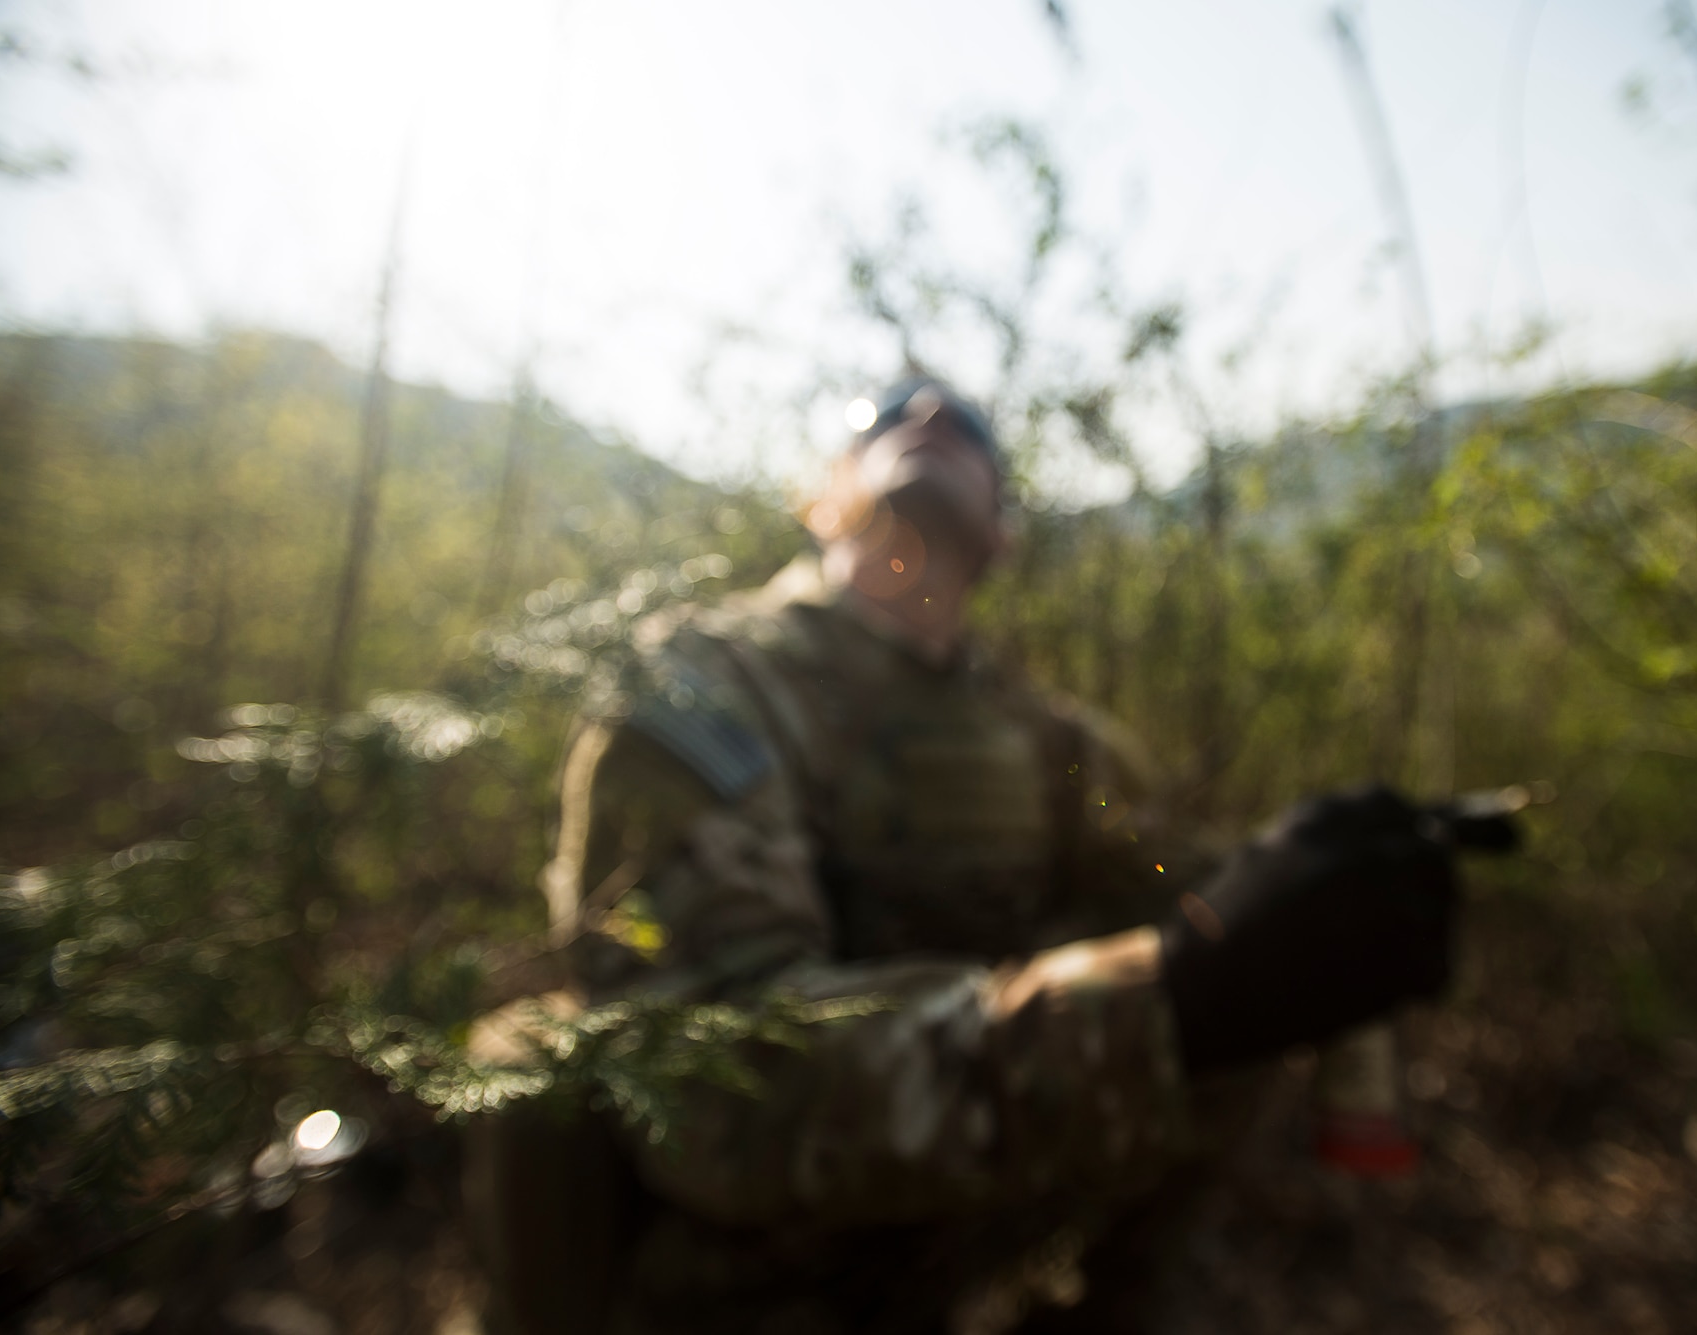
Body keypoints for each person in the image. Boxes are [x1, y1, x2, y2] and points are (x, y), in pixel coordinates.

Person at [464, 377, 1460, 1334]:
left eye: (972, 432)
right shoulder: (705, 686)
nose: (932, 411)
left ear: (1003, 537)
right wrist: (1170, 1005)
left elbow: (1164, 877)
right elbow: (718, 1087)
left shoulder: (1053, 745)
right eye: (885, 417)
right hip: (734, 1292)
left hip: (965, 1257)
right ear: (821, 500)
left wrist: (1302, 888)